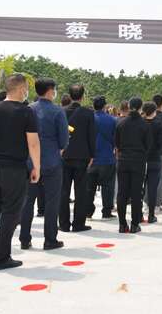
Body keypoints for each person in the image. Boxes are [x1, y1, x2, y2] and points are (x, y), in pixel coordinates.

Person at [0, 73, 40, 270]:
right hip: (14, 168)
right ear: (22, 89)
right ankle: (2, 256)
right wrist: (36, 167)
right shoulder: (26, 112)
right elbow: (33, 142)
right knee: (11, 212)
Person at [19, 78, 69, 251]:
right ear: (50, 91)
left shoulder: (27, 109)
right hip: (51, 162)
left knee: (28, 201)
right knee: (51, 202)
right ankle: (50, 239)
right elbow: (64, 140)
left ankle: (25, 238)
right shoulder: (57, 112)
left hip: (30, 162)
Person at [60, 84, 96, 233]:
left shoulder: (61, 111)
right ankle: (78, 223)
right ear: (82, 96)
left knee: (63, 191)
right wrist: (92, 155)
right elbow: (91, 136)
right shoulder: (88, 113)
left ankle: (63, 223)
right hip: (82, 156)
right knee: (81, 191)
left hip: (64, 155)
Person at [114, 97, 150, 233]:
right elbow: (148, 145)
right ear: (141, 107)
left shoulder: (121, 123)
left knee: (122, 192)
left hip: (123, 159)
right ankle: (135, 223)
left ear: (128, 106)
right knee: (136, 193)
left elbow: (117, 144)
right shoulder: (144, 124)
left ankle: (122, 224)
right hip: (138, 160)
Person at [86, 96, 116, 220]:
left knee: (89, 187)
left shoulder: (89, 119)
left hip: (90, 159)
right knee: (108, 186)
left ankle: (88, 211)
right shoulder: (112, 120)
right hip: (107, 157)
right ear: (105, 106)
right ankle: (106, 211)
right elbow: (115, 139)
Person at [141, 101, 162, 223]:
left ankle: (138, 213)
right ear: (154, 111)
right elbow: (161, 144)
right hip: (155, 158)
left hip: (141, 159)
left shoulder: (140, 124)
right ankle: (151, 214)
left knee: (139, 187)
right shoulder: (159, 124)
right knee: (152, 187)